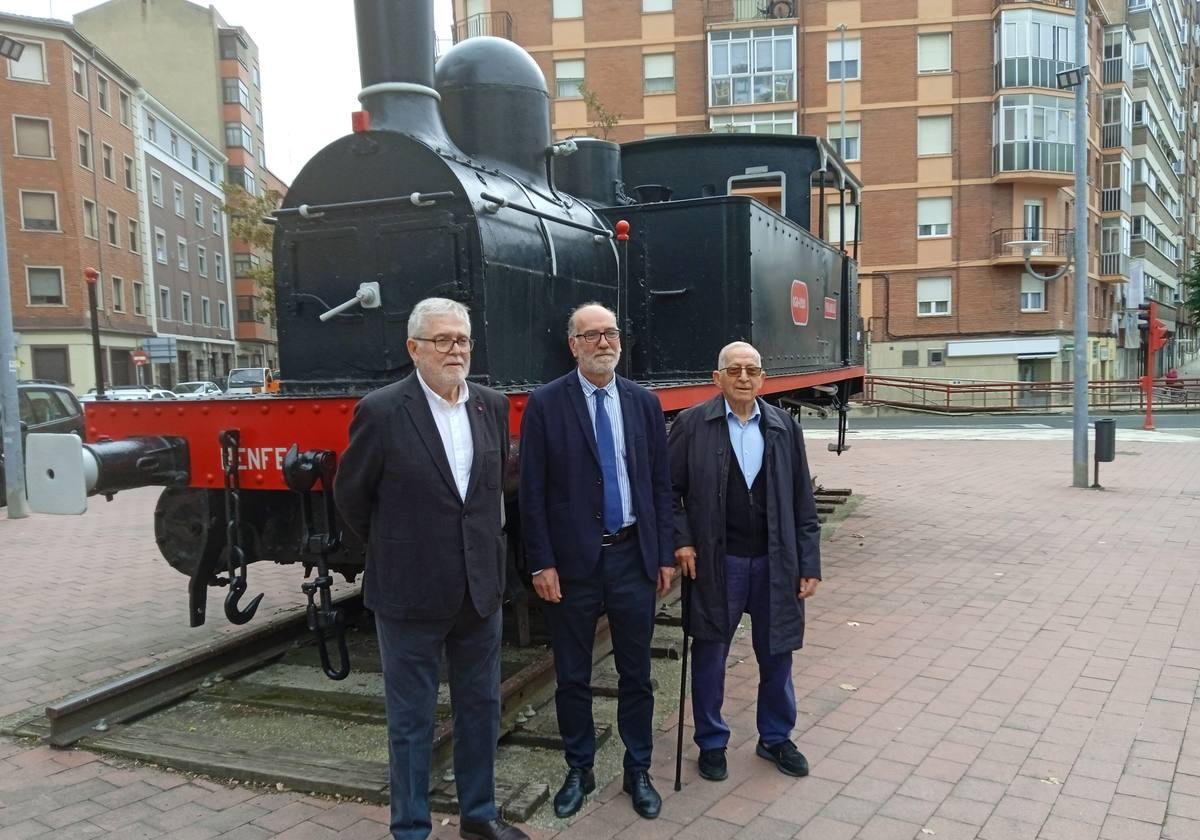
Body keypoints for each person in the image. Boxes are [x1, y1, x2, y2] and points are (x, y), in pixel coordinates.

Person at [334, 298, 527, 840]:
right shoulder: (382, 410)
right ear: (413, 348)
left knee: (481, 709)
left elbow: (488, 497)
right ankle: (411, 828)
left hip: (478, 591)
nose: (455, 350)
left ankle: (479, 816)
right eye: (442, 340)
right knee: (412, 720)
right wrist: (398, 548)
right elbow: (351, 495)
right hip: (409, 592)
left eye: (462, 339)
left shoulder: (491, 404)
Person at [519, 303, 675, 820]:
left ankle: (638, 767)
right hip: (572, 564)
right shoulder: (545, 404)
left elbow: (658, 484)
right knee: (572, 674)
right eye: (591, 335)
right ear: (573, 345)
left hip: (633, 555)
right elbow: (532, 492)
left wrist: (664, 553)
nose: (603, 342)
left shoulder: (643, 403)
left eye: (610, 333)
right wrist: (540, 562)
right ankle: (579, 767)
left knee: (636, 671)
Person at [668, 341, 821, 784]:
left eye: (751, 369)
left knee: (777, 654)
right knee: (711, 653)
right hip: (720, 561)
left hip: (777, 563)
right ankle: (711, 741)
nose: (742, 377)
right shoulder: (692, 424)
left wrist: (808, 562)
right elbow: (669, 491)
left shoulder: (783, 427)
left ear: (763, 378)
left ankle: (775, 737)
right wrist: (682, 541)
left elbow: (801, 501)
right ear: (717, 378)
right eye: (733, 369)